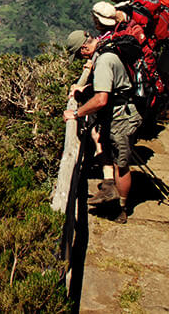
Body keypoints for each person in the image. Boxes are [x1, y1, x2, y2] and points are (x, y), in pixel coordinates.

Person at [64, 30, 143, 224]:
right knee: (104, 145)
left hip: (123, 117)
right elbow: (109, 86)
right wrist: (83, 89)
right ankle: (109, 187)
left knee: (121, 165)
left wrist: (76, 113)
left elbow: (101, 99)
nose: (82, 58)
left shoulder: (104, 60)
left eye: (80, 54)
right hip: (117, 114)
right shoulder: (104, 50)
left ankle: (121, 209)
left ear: (84, 48)